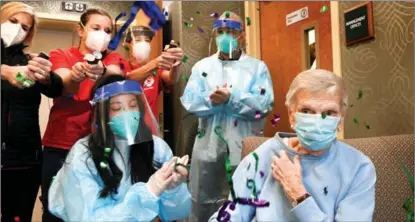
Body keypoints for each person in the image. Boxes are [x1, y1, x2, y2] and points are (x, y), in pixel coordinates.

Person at [209, 69, 376, 222]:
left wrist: (298, 193)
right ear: (291, 115)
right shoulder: (261, 158)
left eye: (329, 113)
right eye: (306, 111)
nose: (318, 121)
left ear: (341, 119)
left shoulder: (358, 167)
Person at [48, 74, 191, 221]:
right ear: (100, 114)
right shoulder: (83, 153)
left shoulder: (156, 147)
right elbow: (88, 217)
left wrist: (173, 189)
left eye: (133, 105)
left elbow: (176, 213)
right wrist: (148, 192)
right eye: (117, 108)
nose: (127, 114)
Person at [180, 11, 274, 221]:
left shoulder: (256, 68)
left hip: (244, 147)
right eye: (220, 31)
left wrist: (233, 98)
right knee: (204, 202)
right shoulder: (202, 67)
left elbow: (264, 104)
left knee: (244, 201)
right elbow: (189, 101)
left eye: (231, 31)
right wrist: (212, 100)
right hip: (207, 150)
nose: (225, 36)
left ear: (242, 35)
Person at [41, 8, 126, 222]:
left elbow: (116, 76)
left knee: (94, 208)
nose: (103, 34)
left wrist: (102, 70)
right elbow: (64, 84)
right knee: (55, 208)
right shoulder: (62, 54)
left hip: (98, 147)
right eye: (96, 28)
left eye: (108, 31)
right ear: (80, 30)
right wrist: (76, 74)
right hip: (61, 145)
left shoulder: (112, 58)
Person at [0, 2, 64, 221]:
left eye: (25, 27)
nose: (17, 29)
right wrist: (5, 71)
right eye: (13, 21)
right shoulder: (9, 67)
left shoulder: (29, 62)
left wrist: (46, 74)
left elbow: (56, 89)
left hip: (23, 158)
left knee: (18, 218)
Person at [122, 24, 184, 118]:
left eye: (147, 40)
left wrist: (176, 63)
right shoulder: (121, 67)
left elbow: (171, 79)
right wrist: (154, 64)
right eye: (138, 40)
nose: (143, 44)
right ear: (128, 45)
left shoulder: (157, 70)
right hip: (126, 126)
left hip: (149, 129)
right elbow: (129, 80)